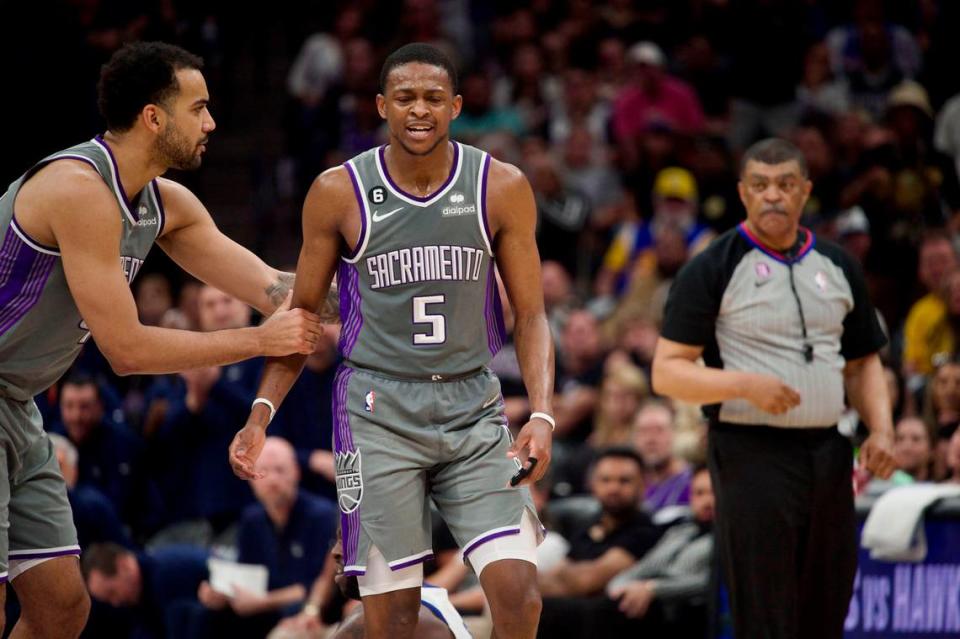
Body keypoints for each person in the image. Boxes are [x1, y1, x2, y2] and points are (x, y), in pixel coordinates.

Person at [230, 43, 555, 639]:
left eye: (434, 97)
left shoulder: (500, 185)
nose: (419, 110)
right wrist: (261, 412)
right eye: (404, 97)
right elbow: (301, 313)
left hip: (472, 405)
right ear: (382, 105)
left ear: (456, 105)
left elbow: (531, 314)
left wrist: (541, 413)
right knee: (392, 622)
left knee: (520, 597)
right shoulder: (338, 191)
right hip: (377, 411)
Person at [0, 41, 324, 637]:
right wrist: (258, 342)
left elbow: (274, 287)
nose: (212, 121)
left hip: (15, 405)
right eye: (198, 107)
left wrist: (375, 290)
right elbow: (126, 352)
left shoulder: (163, 203)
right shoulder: (78, 189)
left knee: (61, 608)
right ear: (154, 117)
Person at [651, 138, 897, 639]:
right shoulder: (713, 267)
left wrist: (883, 429)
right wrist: (744, 384)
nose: (773, 196)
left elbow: (864, 362)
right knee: (766, 605)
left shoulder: (838, 264)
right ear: (743, 193)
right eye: (761, 185)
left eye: (786, 184)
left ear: (805, 191)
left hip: (829, 449)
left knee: (829, 594)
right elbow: (668, 371)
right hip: (750, 451)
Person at [197, 437, 336, 638]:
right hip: (262, 611)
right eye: (263, 472)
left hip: (311, 610)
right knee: (206, 615)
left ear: (296, 472)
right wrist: (223, 593)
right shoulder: (251, 520)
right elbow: (246, 576)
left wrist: (264, 602)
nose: (272, 480)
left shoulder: (322, 516)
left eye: (280, 470)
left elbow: (316, 585)